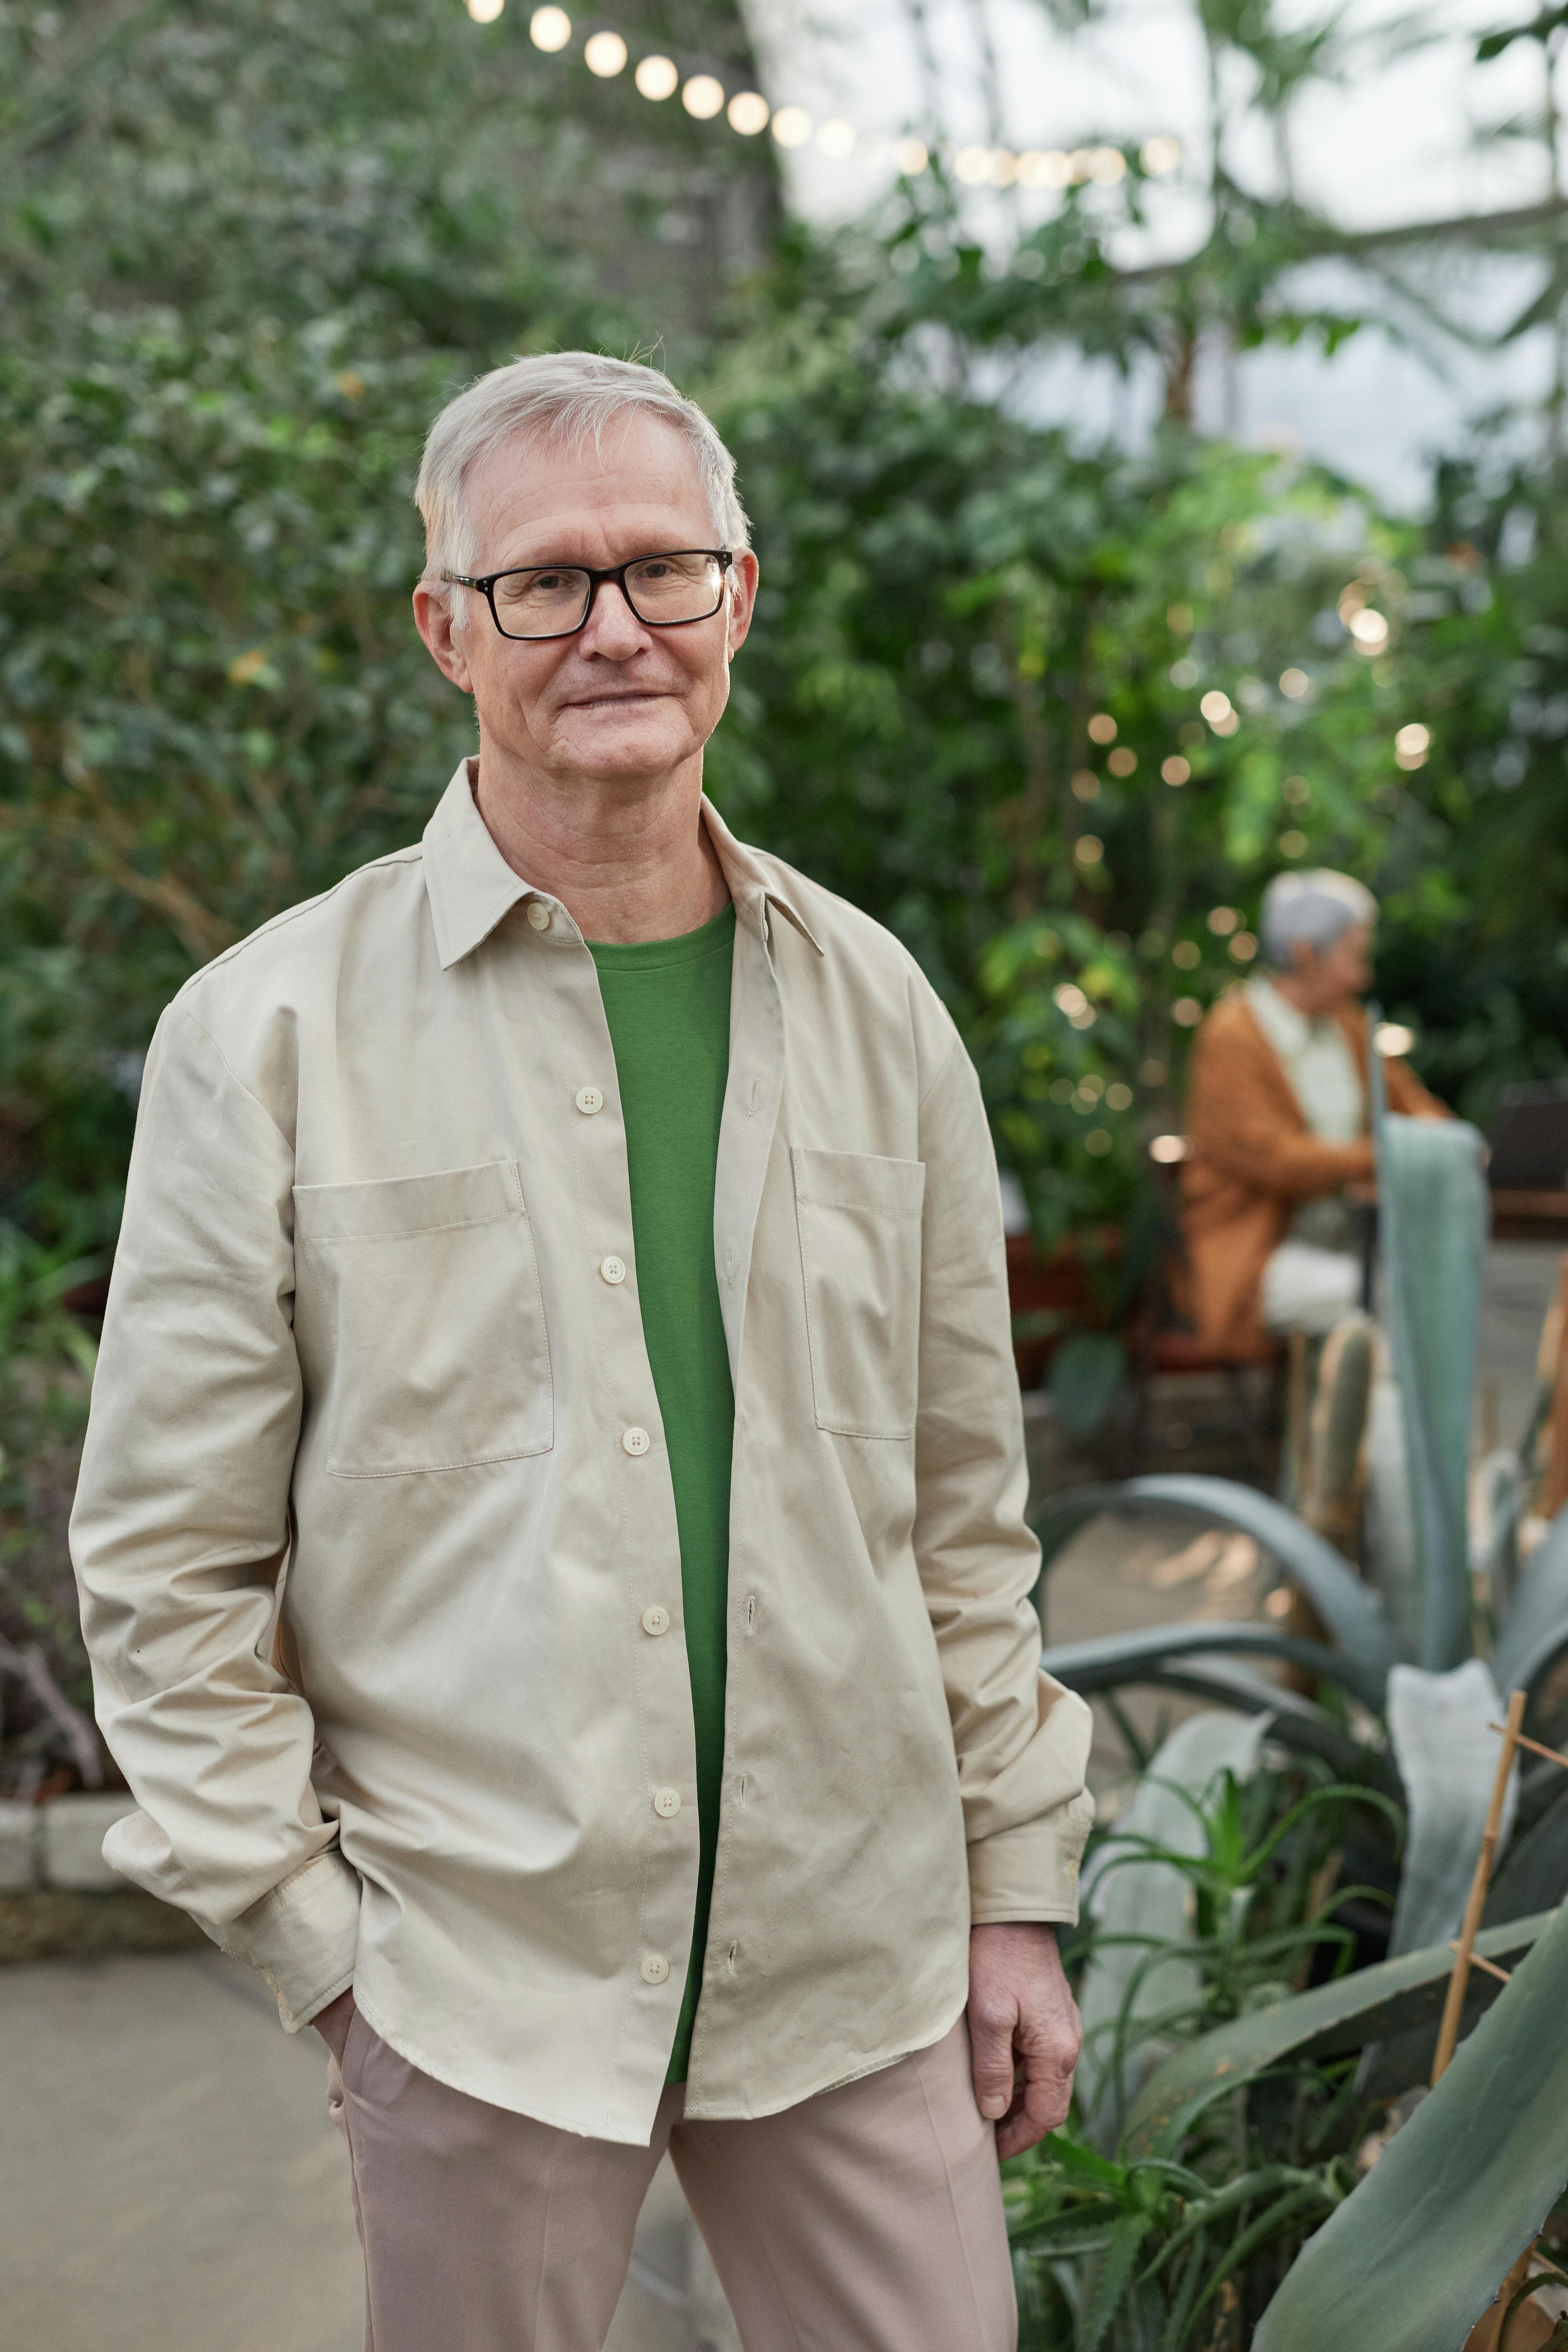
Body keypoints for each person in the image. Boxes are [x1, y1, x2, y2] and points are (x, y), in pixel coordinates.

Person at [70, 353, 1094, 2352]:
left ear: (743, 595)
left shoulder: (883, 1011)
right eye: (544, 584)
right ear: (445, 626)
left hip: (857, 1948)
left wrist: (1013, 1893)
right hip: (477, 1977)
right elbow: (168, 1566)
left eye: (665, 571)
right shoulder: (266, 1036)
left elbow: (965, 1515)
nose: (615, 627)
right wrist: (320, 1946)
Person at [1179, 868, 1447, 1357]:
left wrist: (1440, 1145)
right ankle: (1362, 1436)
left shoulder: (1348, 1027)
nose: (1362, 976)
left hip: (1353, 1244)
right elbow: (1276, 1159)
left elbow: (1420, 1111)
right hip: (1258, 1257)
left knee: (1444, 1286)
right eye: (1353, 956)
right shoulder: (1233, 1038)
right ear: (1306, 953)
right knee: (1387, 1302)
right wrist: (1382, 1158)